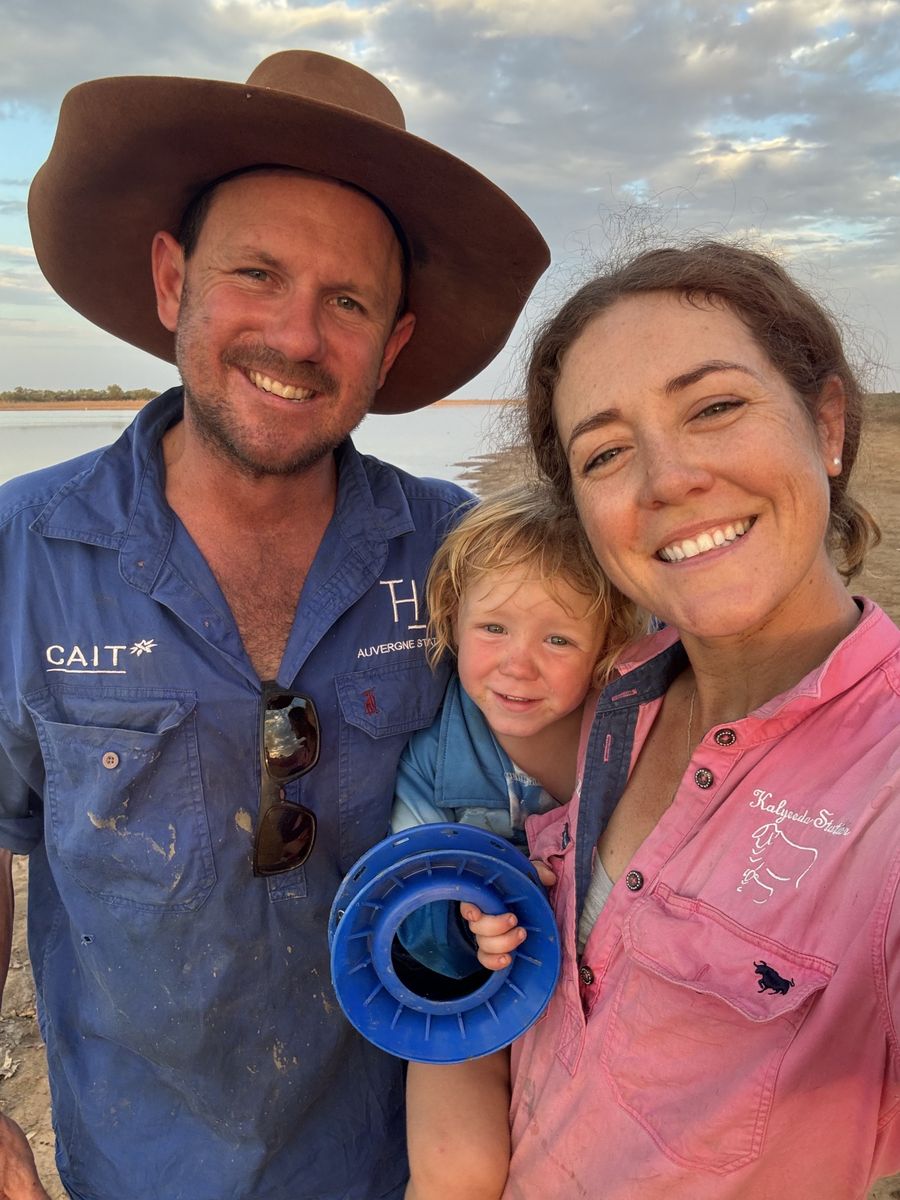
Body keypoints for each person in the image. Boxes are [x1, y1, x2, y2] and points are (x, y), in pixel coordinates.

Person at [0, 51, 548, 1200]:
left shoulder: (462, 557)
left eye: (347, 300)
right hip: (136, 1169)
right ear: (171, 282)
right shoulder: (22, 551)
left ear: (392, 343)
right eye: (256, 273)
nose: (297, 337)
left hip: (410, 1160)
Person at [463, 242, 900, 1198]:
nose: (666, 479)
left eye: (714, 408)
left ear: (826, 424)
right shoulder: (618, 695)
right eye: (607, 453)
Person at [388, 483, 646, 1200]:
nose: (517, 664)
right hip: (471, 996)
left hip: (597, 1000)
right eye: (493, 628)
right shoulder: (434, 759)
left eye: (557, 638)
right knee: (454, 1175)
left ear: (605, 647)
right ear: (451, 619)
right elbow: (406, 898)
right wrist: (463, 928)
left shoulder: (634, 735)